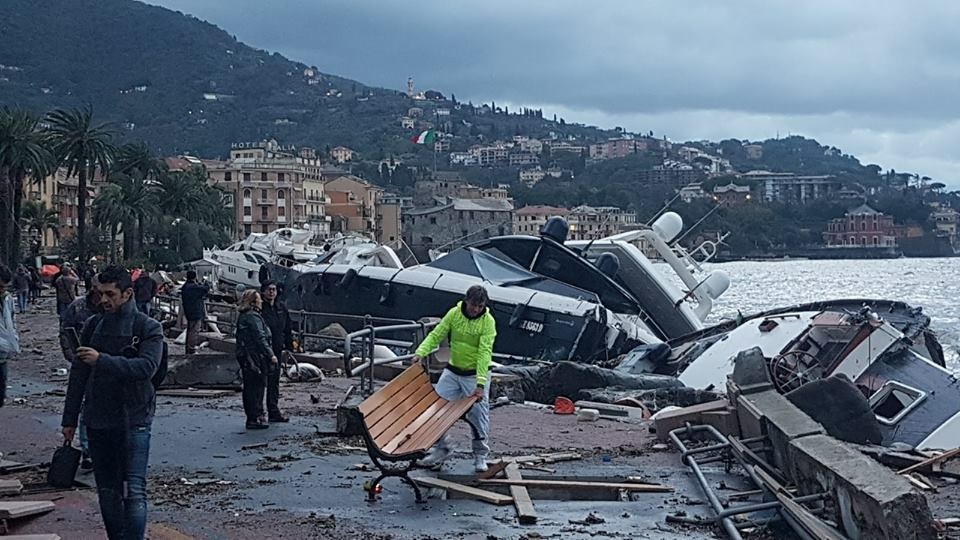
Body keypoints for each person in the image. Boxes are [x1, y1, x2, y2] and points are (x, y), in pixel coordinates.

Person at [61, 266, 163, 540]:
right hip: (99, 420)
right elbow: (78, 374)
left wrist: (102, 360)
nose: (104, 300)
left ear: (127, 294)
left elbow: (147, 368)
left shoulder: (148, 327)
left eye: (110, 294)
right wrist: (69, 419)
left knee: (134, 490)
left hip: (134, 420)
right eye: (99, 294)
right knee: (108, 491)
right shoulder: (93, 325)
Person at [414, 285, 497, 473]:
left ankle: (480, 455)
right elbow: (437, 335)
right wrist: (421, 352)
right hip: (453, 370)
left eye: (480, 306)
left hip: (475, 374)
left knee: (478, 416)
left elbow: (485, 352)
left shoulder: (488, 322)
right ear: (466, 301)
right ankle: (442, 447)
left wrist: (481, 383)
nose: (476, 309)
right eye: (473, 305)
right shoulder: (454, 313)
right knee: (435, 408)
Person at [59, 281, 103, 470]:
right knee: (87, 404)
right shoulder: (77, 307)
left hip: (105, 363)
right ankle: (88, 450)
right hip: (83, 362)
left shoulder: (113, 310)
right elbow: (65, 331)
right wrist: (71, 355)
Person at [234, 290, 277, 430]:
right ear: (253, 302)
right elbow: (260, 337)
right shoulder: (253, 317)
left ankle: (254, 416)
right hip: (254, 356)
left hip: (246, 354)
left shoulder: (244, 316)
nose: (261, 301)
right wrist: (271, 354)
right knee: (256, 386)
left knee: (250, 386)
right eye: (258, 299)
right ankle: (255, 416)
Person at [259, 281, 292, 423]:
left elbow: (287, 328)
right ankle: (259, 412)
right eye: (269, 290)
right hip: (262, 350)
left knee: (274, 382)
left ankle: (273, 410)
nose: (272, 292)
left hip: (277, 348)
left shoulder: (281, 308)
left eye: (274, 290)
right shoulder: (259, 308)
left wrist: (289, 347)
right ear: (263, 292)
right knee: (260, 382)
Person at [0, 265, 20, 409]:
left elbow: (11, 321)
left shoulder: (7, 299)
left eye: (5, 287)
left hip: (3, 354)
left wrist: (14, 338)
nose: (3, 290)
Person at [179, 270, 209, 355]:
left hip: (188, 311)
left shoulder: (185, 286)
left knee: (189, 330)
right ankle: (191, 349)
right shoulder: (193, 287)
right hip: (195, 312)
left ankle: (188, 349)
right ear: (194, 277)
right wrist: (205, 282)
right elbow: (205, 289)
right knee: (194, 331)